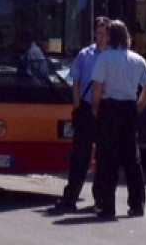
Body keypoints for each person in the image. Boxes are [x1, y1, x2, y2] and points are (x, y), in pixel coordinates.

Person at [90, 18, 146, 219]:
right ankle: (137, 205)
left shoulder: (105, 58)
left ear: (110, 36)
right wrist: (139, 106)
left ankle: (107, 205)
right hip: (129, 108)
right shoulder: (137, 59)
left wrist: (95, 111)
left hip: (109, 108)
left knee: (108, 159)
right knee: (132, 160)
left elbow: (97, 90)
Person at [50, 16, 111, 213]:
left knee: (103, 157)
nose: (101, 37)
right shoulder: (85, 55)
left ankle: (100, 199)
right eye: (98, 33)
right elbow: (75, 81)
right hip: (85, 108)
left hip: (104, 110)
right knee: (80, 157)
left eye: (104, 33)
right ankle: (70, 198)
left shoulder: (113, 56)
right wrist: (76, 106)